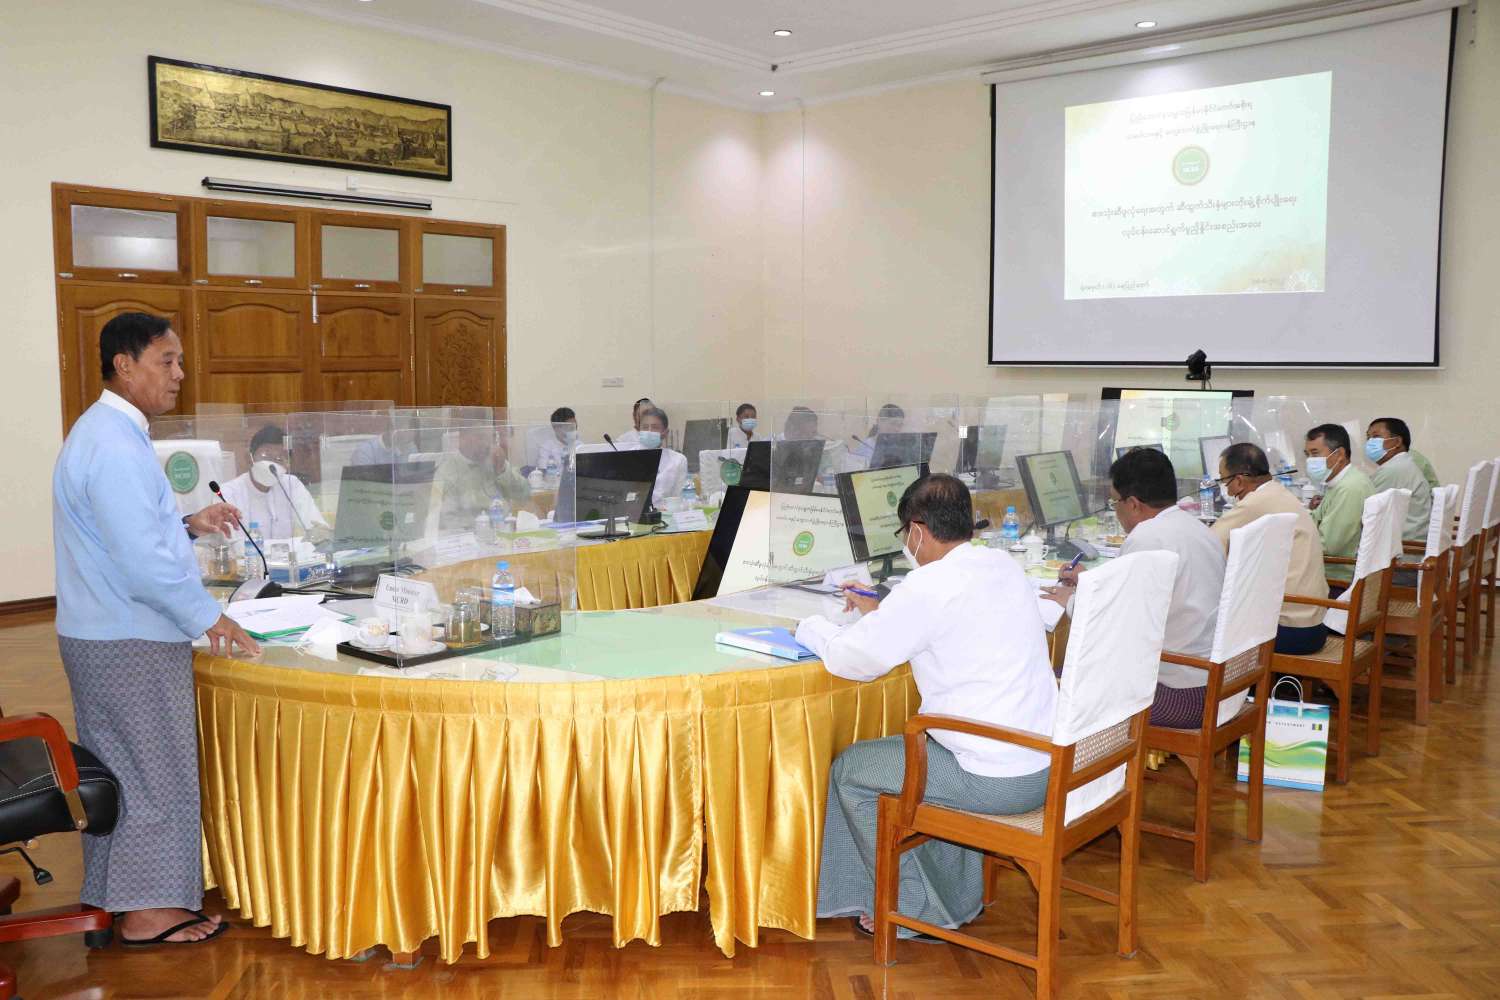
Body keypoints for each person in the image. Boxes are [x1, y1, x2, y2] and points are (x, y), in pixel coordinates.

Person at [53, 312, 259, 946]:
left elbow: (128, 532)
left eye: (180, 361)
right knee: (153, 773)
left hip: (106, 630)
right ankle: (148, 914)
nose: (179, 374)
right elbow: (142, 563)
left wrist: (189, 523)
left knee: (124, 770)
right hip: (128, 636)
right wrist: (209, 616)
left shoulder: (107, 431)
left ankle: (116, 894)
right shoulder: (114, 443)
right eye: (166, 361)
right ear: (124, 365)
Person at [795, 475, 1056, 938]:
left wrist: (810, 626)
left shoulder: (928, 585)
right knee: (931, 755)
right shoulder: (1001, 564)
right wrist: (883, 614)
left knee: (853, 769)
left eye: (904, 534)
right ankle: (954, 897)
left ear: (916, 531)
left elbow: (856, 661)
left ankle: (912, 908)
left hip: (994, 781)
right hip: (1043, 761)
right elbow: (958, 625)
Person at [1046, 449, 1226, 728]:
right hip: (1217, 684)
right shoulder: (1198, 529)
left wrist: (1071, 601)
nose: (1115, 510)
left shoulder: (1147, 537)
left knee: (1053, 685)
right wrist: (1090, 583)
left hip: (1180, 695)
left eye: (1114, 502)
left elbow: (1115, 625)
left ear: (1132, 504)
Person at [1212, 443, 1327, 655]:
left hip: (1289, 630)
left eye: (1224, 480)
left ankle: (1239, 679)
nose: (1226, 489)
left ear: (1239, 480)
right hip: (1312, 622)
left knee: (1207, 628)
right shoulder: (1277, 492)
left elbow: (1210, 545)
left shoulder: (1255, 502)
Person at [217, 424, 329, 541]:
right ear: (249, 459)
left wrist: (319, 532)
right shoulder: (227, 492)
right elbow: (227, 542)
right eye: (266, 456)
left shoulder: (292, 484)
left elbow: (316, 526)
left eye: (280, 459)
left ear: (288, 464)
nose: (272, 464)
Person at [1305, 424, 1375, 586]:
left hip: (1337, 578)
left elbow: (1329, 546)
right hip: (1331, 570)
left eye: (1315, 453)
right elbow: (1317, 518)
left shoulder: (1349, 488)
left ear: (1340, 454)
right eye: (1307, 455)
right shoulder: (1342, 481)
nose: (1309, 461)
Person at [435, 423, 531, 529]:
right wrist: (483, 529)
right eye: (480, 437)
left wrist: (502, 470)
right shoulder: (447, 472)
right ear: (463, 439)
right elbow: (446, 521)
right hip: (472, 533)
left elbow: (524, 495)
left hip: (505, 530)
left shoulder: (495, 460)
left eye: (490, 438)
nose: (486, 444)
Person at [1366, 417, 1434, 543]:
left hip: (1404, 548)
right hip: (1408, 542)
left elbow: (1363, 512)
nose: (1369, 442)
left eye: (1375, 437)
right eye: (1368, 438)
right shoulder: (1402, 463)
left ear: (1397, 441)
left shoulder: (1393, 469)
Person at [633, 406, 688, 507]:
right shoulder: (628, 456)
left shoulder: (678, 460)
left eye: (654, 427)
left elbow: (678, 497)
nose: (649, 431)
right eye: (645, 427)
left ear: (665, 433)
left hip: (665, 513)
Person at [535, 406, 577, 474]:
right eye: (569, 428)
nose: (573, 431)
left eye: (574, 427)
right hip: (554, 480)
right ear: (556, 428)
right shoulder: (546, 448)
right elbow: (542, 473)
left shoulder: (579, 445)